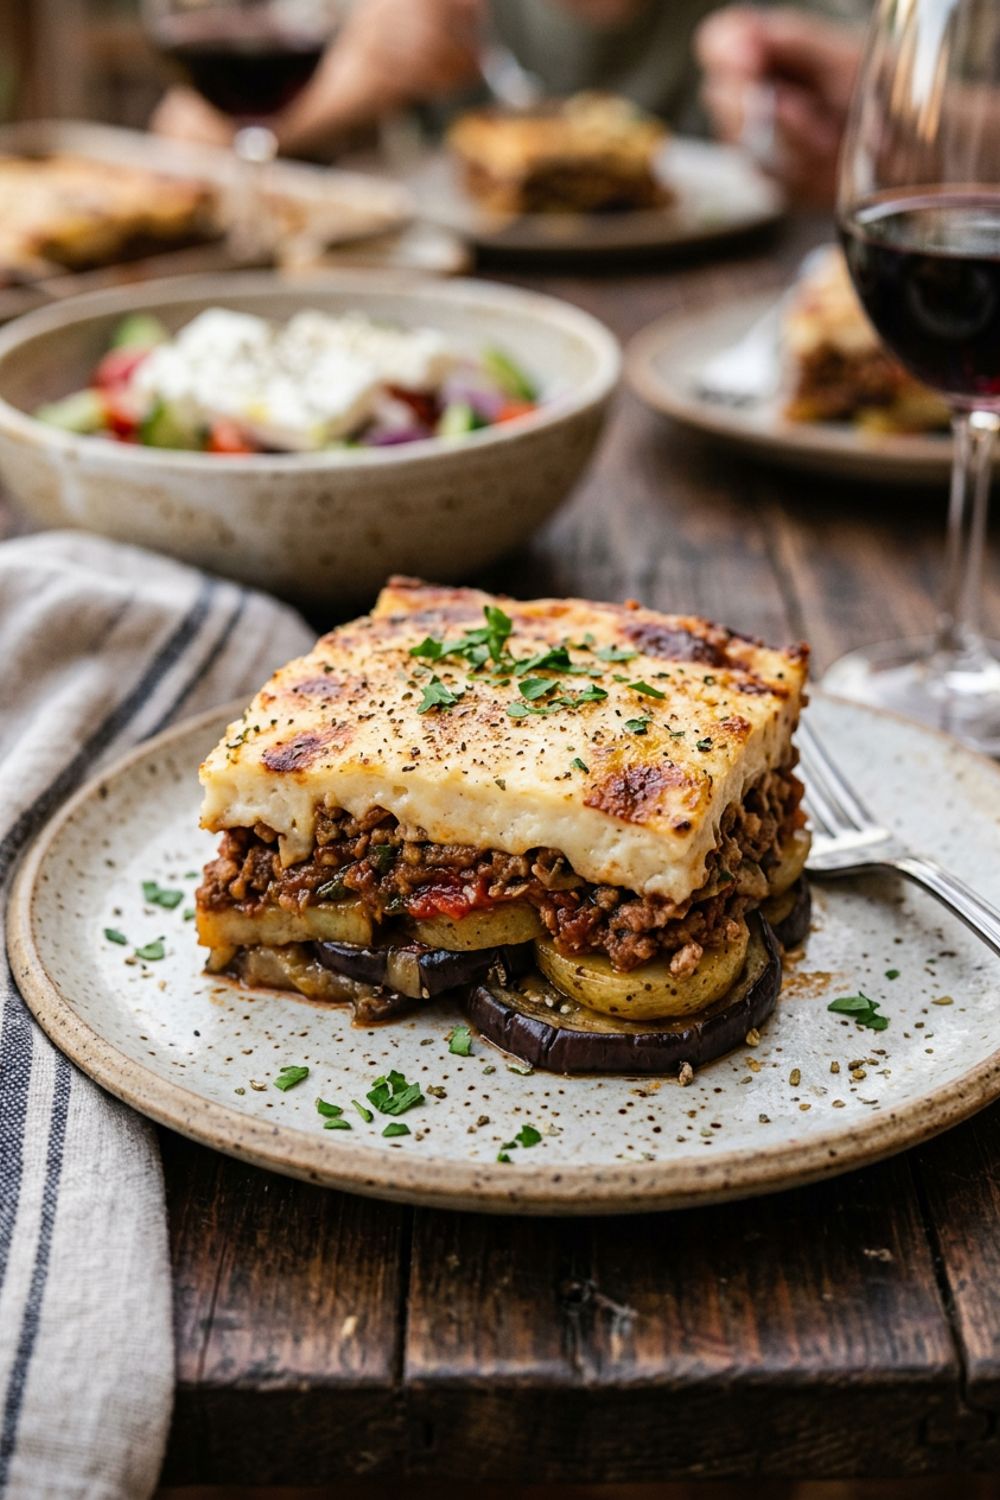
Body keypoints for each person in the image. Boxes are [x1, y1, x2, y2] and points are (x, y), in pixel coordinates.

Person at [153, 0, 865, 205]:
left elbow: (944, 134)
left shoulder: (767, 19)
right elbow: (178, 140)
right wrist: (353, 79)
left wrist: (842, 133)